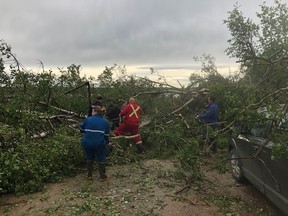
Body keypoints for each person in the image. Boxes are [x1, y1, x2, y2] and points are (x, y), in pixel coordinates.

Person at [80, 105, 110, 180]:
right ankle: (102, 176)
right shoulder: (105, 122)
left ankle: (89, 175)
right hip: (99, 143)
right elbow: (106, 135)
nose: (92, 112)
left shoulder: (87, 119)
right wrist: (106, 143)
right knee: (101, 157)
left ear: (95, 111)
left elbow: (81, 128)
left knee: (89, 157)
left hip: (87, 142)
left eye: (92, 111)